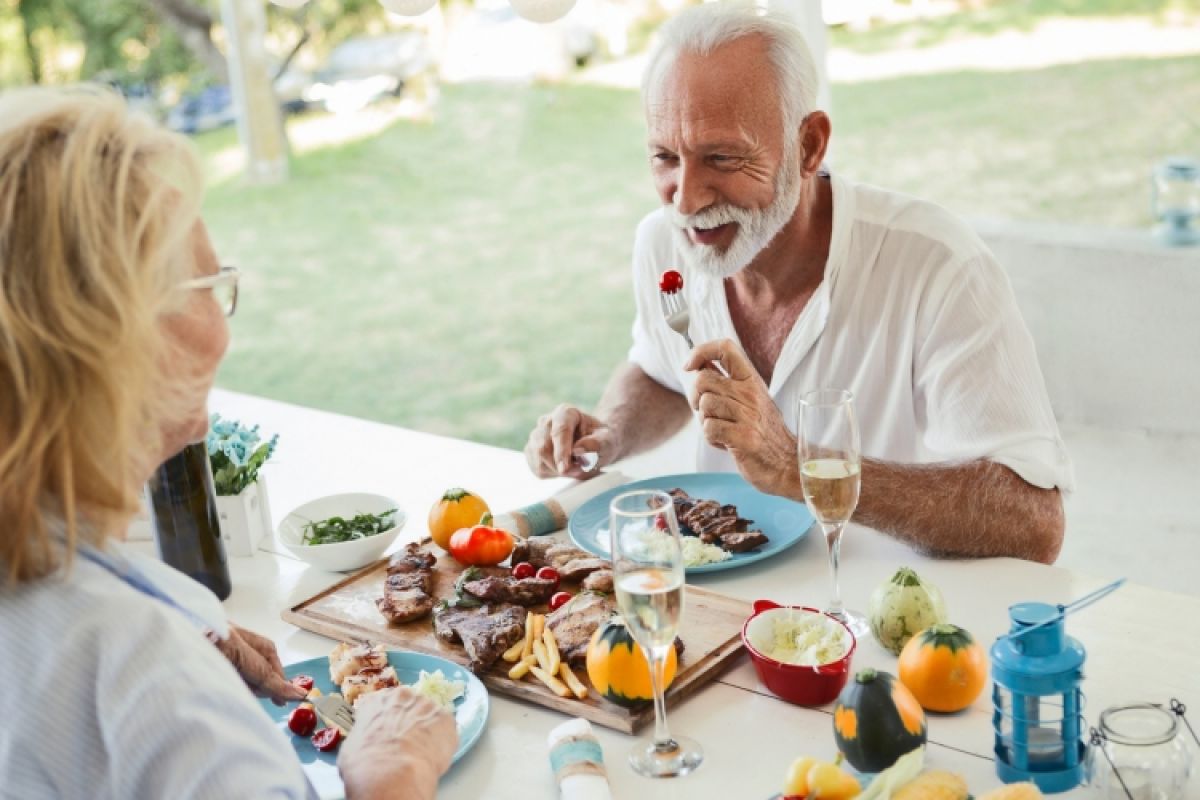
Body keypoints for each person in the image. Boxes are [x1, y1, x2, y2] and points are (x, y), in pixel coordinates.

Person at [0, 87, 455, 799]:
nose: (224, 322)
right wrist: (392, 775)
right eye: (210, 283)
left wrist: (190, 623)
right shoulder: (140, 669)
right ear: (116, 338)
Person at [524, 4, 1071, 564]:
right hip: (723, 606)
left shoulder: (938, 265)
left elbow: (1033, 520)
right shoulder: (663, 243)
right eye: (665, 157)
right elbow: (663, 374)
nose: (685, 200)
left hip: (883, 612)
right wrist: (610, 433)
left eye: (722, 157)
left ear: (808, 146)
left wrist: (798, 466)